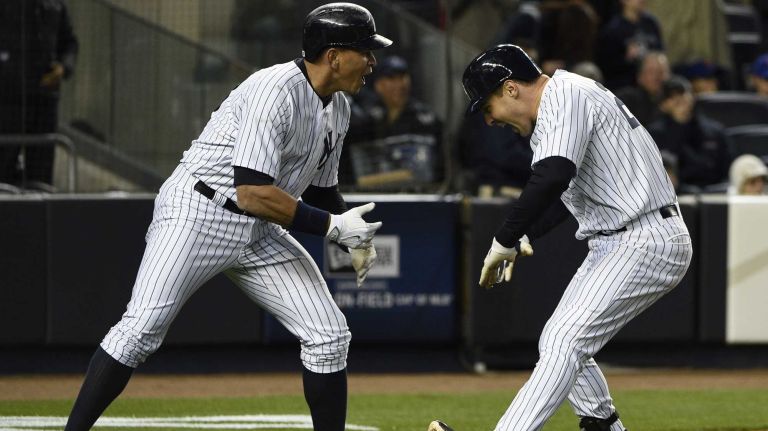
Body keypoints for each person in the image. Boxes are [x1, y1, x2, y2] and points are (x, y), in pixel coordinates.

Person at [63, 3, 391, 431]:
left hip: (257, 229)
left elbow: (321, 190)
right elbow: (252, 192)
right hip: (198, 210)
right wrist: (332, 227)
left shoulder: (339, 107)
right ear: (333, 56)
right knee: (141, 329)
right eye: (365, 50)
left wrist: (351, 232)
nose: (372, 61)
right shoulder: (274, 90)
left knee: (329, 335)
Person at [429, 44, 692, 431]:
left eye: (487, 107)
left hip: (644, 237)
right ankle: (603, 425)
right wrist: (524, 236)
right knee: (559, 340)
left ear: (511, 88)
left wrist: (504, 237)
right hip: (623, 238)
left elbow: (551, 176)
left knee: (565, 343)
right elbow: (565, 193)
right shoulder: (564, 102)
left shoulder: (565, 95)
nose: (489, 120)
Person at [0, 0, 78, 188]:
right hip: (7, 99)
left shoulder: (56, 4)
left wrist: (63, 67)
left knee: (40, 176)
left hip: (44, 100)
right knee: (4, 167)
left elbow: (69, 43)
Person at [345, 55, 443, 190]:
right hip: (375, 193)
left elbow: (437, 164)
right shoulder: (367, 118)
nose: (399, 84)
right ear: (378, 85)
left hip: (417, 192)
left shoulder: (425, 119)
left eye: (402, 77)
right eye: (391, 78)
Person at [648, 76, 731, 193]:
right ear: (663, 105)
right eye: (672, 97)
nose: (679, 100)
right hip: (675, 196)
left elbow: (727, 170)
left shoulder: (715, 132)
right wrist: (678, 124)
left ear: (692, 97)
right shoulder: (654, 134)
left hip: (713, 194)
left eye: (682, 93)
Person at [597, 0, 664, 90]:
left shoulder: (651, 23)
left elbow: (661, 52)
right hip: (626, 83)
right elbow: (606, 66)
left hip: (654, 79)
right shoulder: (613, 30)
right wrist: (626, 58)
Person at [614, 51, 670, 126]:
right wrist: (661, 111)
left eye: (661, 71)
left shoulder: (675, 96)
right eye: (651, 72)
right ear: (639, 77)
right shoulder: (625, 99)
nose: (657, 76)